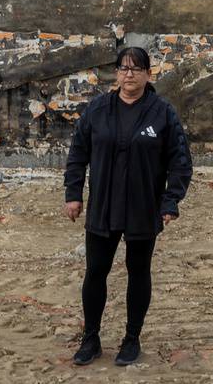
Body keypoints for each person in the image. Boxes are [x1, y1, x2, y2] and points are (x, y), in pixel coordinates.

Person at [62, 45, 191, 367]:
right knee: (95, 272)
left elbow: (180, 161)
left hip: (142, 208)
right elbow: (78, 153)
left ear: (149, 74)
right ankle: (90, 339)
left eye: (136, 69)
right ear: (117, 73)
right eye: (123, 68)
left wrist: (170, 200)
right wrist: (73, 193)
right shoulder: (97, 110)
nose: (129, 74)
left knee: (138, 272)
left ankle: (131, 339)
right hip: (103, 206)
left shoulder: (162, 112)